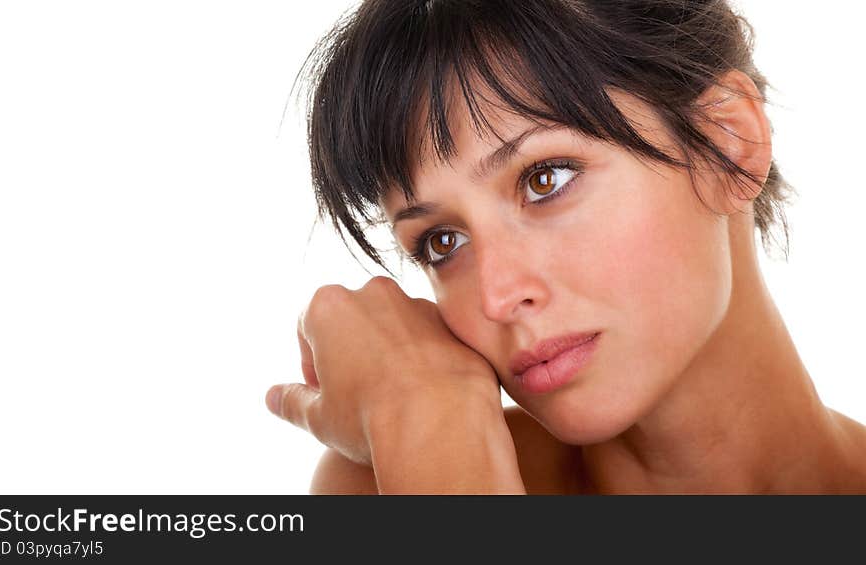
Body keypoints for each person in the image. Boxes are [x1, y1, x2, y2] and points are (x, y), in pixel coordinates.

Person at [264, 0, 866, 493]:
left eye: (544, 179)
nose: (498, 295)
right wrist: (428, 416)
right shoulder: (394, 477)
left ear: (729, 142)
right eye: (442, 242)